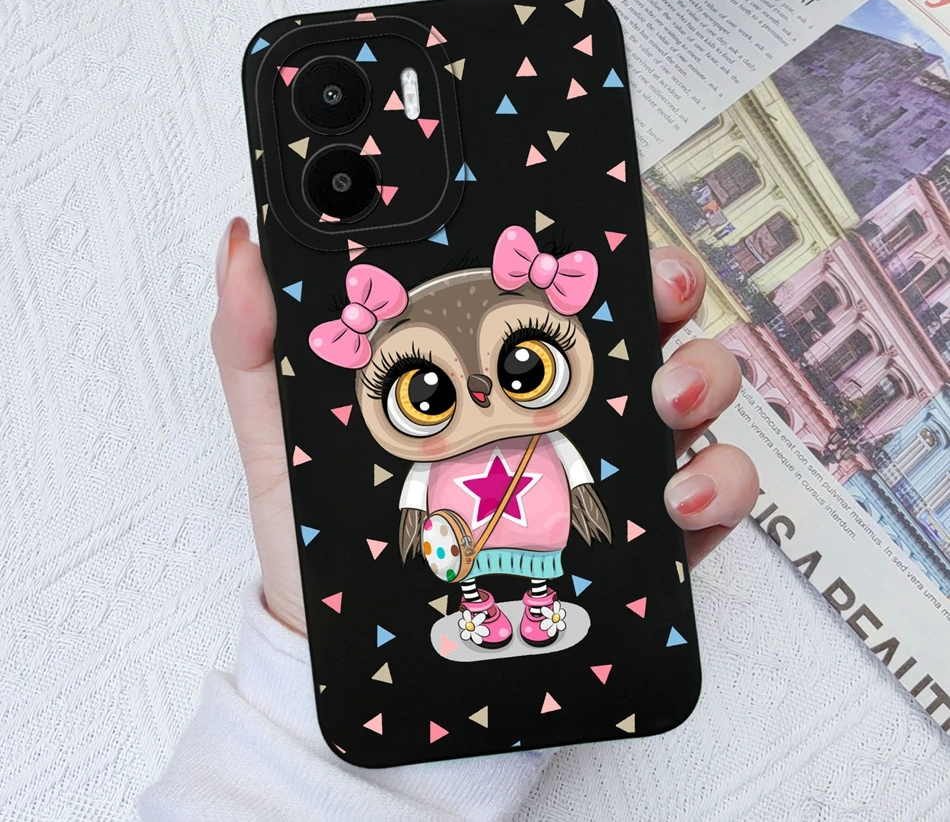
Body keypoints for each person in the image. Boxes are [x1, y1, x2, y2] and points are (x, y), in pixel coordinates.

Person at [139, 217, 759, 821]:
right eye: (428, 393)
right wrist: (331, 633)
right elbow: (415, 495)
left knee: (540, 567)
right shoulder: (428, 466)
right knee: (471, 574)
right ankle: (482, 614)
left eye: (524, 366)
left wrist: (592, 500)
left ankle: (537, 610)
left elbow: (575, 470)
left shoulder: (549, 442)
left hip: (538, 529)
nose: (482, 396)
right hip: (457, 547)